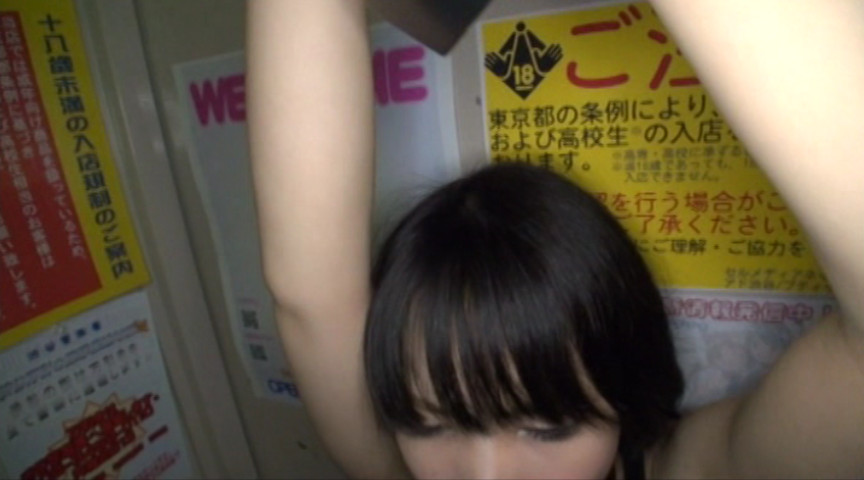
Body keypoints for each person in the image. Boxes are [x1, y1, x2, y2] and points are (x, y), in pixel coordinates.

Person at [246, 0, 864, 478]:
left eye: (547, 429)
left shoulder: (693, 467)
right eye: (434, 425)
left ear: (623, 391)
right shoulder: (395, 464)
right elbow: (311, 298)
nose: (485, 476)